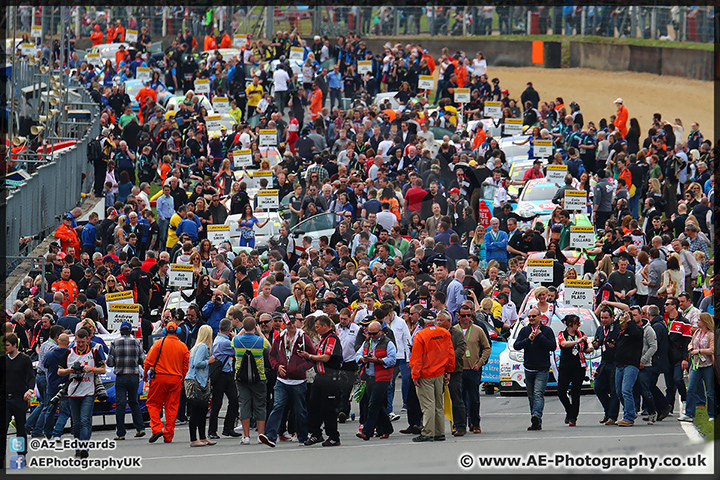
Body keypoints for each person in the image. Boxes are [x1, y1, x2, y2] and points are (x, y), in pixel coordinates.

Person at [259, 314, 317, 447]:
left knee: (300, 410)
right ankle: (270, 436)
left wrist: (299, 368)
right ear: (285, 324)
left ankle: (302, 436)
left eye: (293, 322)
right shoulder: (280, 338)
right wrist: (277, 366)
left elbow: (312, 357)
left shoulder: (303, 337)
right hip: (282, 381)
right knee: (278, 406)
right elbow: (272, 356)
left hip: (298, 381)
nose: (291, 325)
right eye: (288, 323)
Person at [58, 327, 106, 458]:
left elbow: (103, 370)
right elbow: (59, 371)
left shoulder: (94, 352)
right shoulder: (69, 353)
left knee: (85, 420)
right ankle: (77, 448)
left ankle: (84, 448)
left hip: (88, 391)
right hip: (73, 392)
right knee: (76, 422)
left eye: (82, 342)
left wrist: (91, 369)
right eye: (78, 342)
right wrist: (70, 370)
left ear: (88, 341)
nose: (80, 344)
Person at [409, 309, 455, 442]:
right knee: (438, 405)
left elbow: (416, 358)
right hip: (440, 373)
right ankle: (439, 432)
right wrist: (449, 371)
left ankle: (428, 432)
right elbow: (450, 354)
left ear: (421, 321)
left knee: (428, 405)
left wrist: (415, 375)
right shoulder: (444, 333)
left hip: (425, 375)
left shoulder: (420, 335)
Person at [298, 315, 343, 447]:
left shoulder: (332, 338)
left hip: (330, 378)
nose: (316, 329)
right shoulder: (322, 339)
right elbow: (317, 357)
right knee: (313, 406)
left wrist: (310, 356)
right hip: (319, 378)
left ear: (325, 326)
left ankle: (333, 436)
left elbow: (325, 358)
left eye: (317, 327)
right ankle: (316, 433)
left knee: (328, 408)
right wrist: (307, 357)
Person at [144, 321, 190, 444]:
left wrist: (144, 375)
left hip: (159, 378)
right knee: (172, 407)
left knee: (153, 404)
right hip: (176, 379)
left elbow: (148, 362)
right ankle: (168, 435)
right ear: (177, 331)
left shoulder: (159, 344)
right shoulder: (183, 347)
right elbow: (186, 366)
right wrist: (183, 380)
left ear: (164, 331)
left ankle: (157, 428)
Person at [513, 307, 556, 431]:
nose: (531, 319)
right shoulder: (524, 330)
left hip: (542, 368)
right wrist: (528, 339)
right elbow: (516, 345)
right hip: (529, 368)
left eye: (534, 316)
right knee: (531, 396)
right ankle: (536, 421)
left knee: (538, 394)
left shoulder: (546, 330)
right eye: (530, 317)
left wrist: (540, 336)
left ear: (539, 317)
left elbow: (552, 346)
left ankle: (536, 415)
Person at [355, 320, 397, 441]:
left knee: (373, 404)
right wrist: (362, 359)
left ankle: (366, 431)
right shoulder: (367, 342)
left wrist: (378, 360)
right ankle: (388, 428)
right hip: (369, 376)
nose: (372, 336)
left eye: (374, 333)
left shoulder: (388, 343)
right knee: (376, 404)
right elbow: (358, 354)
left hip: (382, 377)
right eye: (370, 333)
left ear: (380, 331)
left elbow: (392, 360)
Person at [233, 316, 271, 445]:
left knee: (244, 404)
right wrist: (259, 332)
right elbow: (269, 348)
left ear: (243, 327)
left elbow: (236, 338)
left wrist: (242, 330)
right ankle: (261, 434)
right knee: (260, 405)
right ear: (255, 326)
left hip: (241, 377)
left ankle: (246, 436)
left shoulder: (237, 340)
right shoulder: (260, 341)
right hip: (259, 376)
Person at [106, 321, 146, 440]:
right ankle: (140, 428)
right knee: (134, 402)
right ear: (130, 331)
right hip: (133, 376)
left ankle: (121, 433)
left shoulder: (115, 342)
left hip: (121, 376)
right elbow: (142, 360)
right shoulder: (137, 342)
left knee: (120, 404)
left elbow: (109, 362)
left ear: (120, 330)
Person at [455, 304, 491, 433]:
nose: (466, 318)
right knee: (459, 399)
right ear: (458, 316)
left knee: (474, 399)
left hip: (473, 369)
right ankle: (460, 425)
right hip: (458, 370)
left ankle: (475, 423)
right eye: (463, 315)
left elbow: (487, 347)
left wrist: (480, 363)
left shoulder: (478, 330)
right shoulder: (453, 330)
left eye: (469, 315)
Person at [677, 313, 715, 422]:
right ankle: (689, 413)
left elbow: (712, 350)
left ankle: (712, 414)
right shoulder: (697, 332)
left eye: (699, 320)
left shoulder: (711, 334)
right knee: (691, 388)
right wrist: (690, 347)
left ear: (705, 321)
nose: (697, 322)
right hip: (696, 365)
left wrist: (699, 351)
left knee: (710, 391)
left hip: (708, 365)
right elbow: (691, 342)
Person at [3, 333, 35, 458]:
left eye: (7, 345)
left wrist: (30, 390)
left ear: (15, 345)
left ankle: (21, 454)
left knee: (20, 428)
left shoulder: (25, 359)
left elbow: (31, 377)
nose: (5, 348)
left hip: (20, 397)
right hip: (5, 398)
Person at [556, 314, 591, 427]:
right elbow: (563, 344)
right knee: (561, 392)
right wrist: (577, 341)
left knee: (575, 392)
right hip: (565, 366)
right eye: (577, 323)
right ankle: (569, 410)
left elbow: (586, 349)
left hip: (578, 367)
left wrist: (594, 347)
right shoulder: (562, 334)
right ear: (570, 324)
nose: (578, 326)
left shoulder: (581, 334)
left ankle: (573, 417)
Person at [208, 319, 240, 440]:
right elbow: (237, 347)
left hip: (227, 372)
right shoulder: (224, 342)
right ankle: (213, 430)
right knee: (217, 403)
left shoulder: (219, 339)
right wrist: (236, 336)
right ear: (229, 329)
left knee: (233, 400)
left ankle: (228, 428)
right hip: (222, 374)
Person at [186, 324, 216, 447]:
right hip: (197, 381)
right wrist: (209, 361)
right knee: (197, 411)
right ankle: (194, 439)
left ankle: (202, 437)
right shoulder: (203, 346)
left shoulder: (196, 346)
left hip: (195, 380)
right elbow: (198, 363)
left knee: (201, 411)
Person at [614, 310, 643, 426]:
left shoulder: (637, 330)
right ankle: (630, 410)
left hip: (630, 365)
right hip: (619, 365)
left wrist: (629, 321)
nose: (621, 323)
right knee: (619, 392)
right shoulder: (620, 333)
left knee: (626, 390)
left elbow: (636, 334)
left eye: (624, 321)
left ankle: (629, 417)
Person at [591, 305, 620, 425]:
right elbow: (598, 343)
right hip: (604, 362)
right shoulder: (600, 329)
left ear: (612, 317)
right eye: (602, 318)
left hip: (615, 363)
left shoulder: (618, 328)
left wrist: (615, 345)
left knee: (614, 391)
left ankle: (612, 416)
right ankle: (608, 411)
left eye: (606, 318)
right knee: (598, 387)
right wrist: (595, 344)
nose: (603, 320)